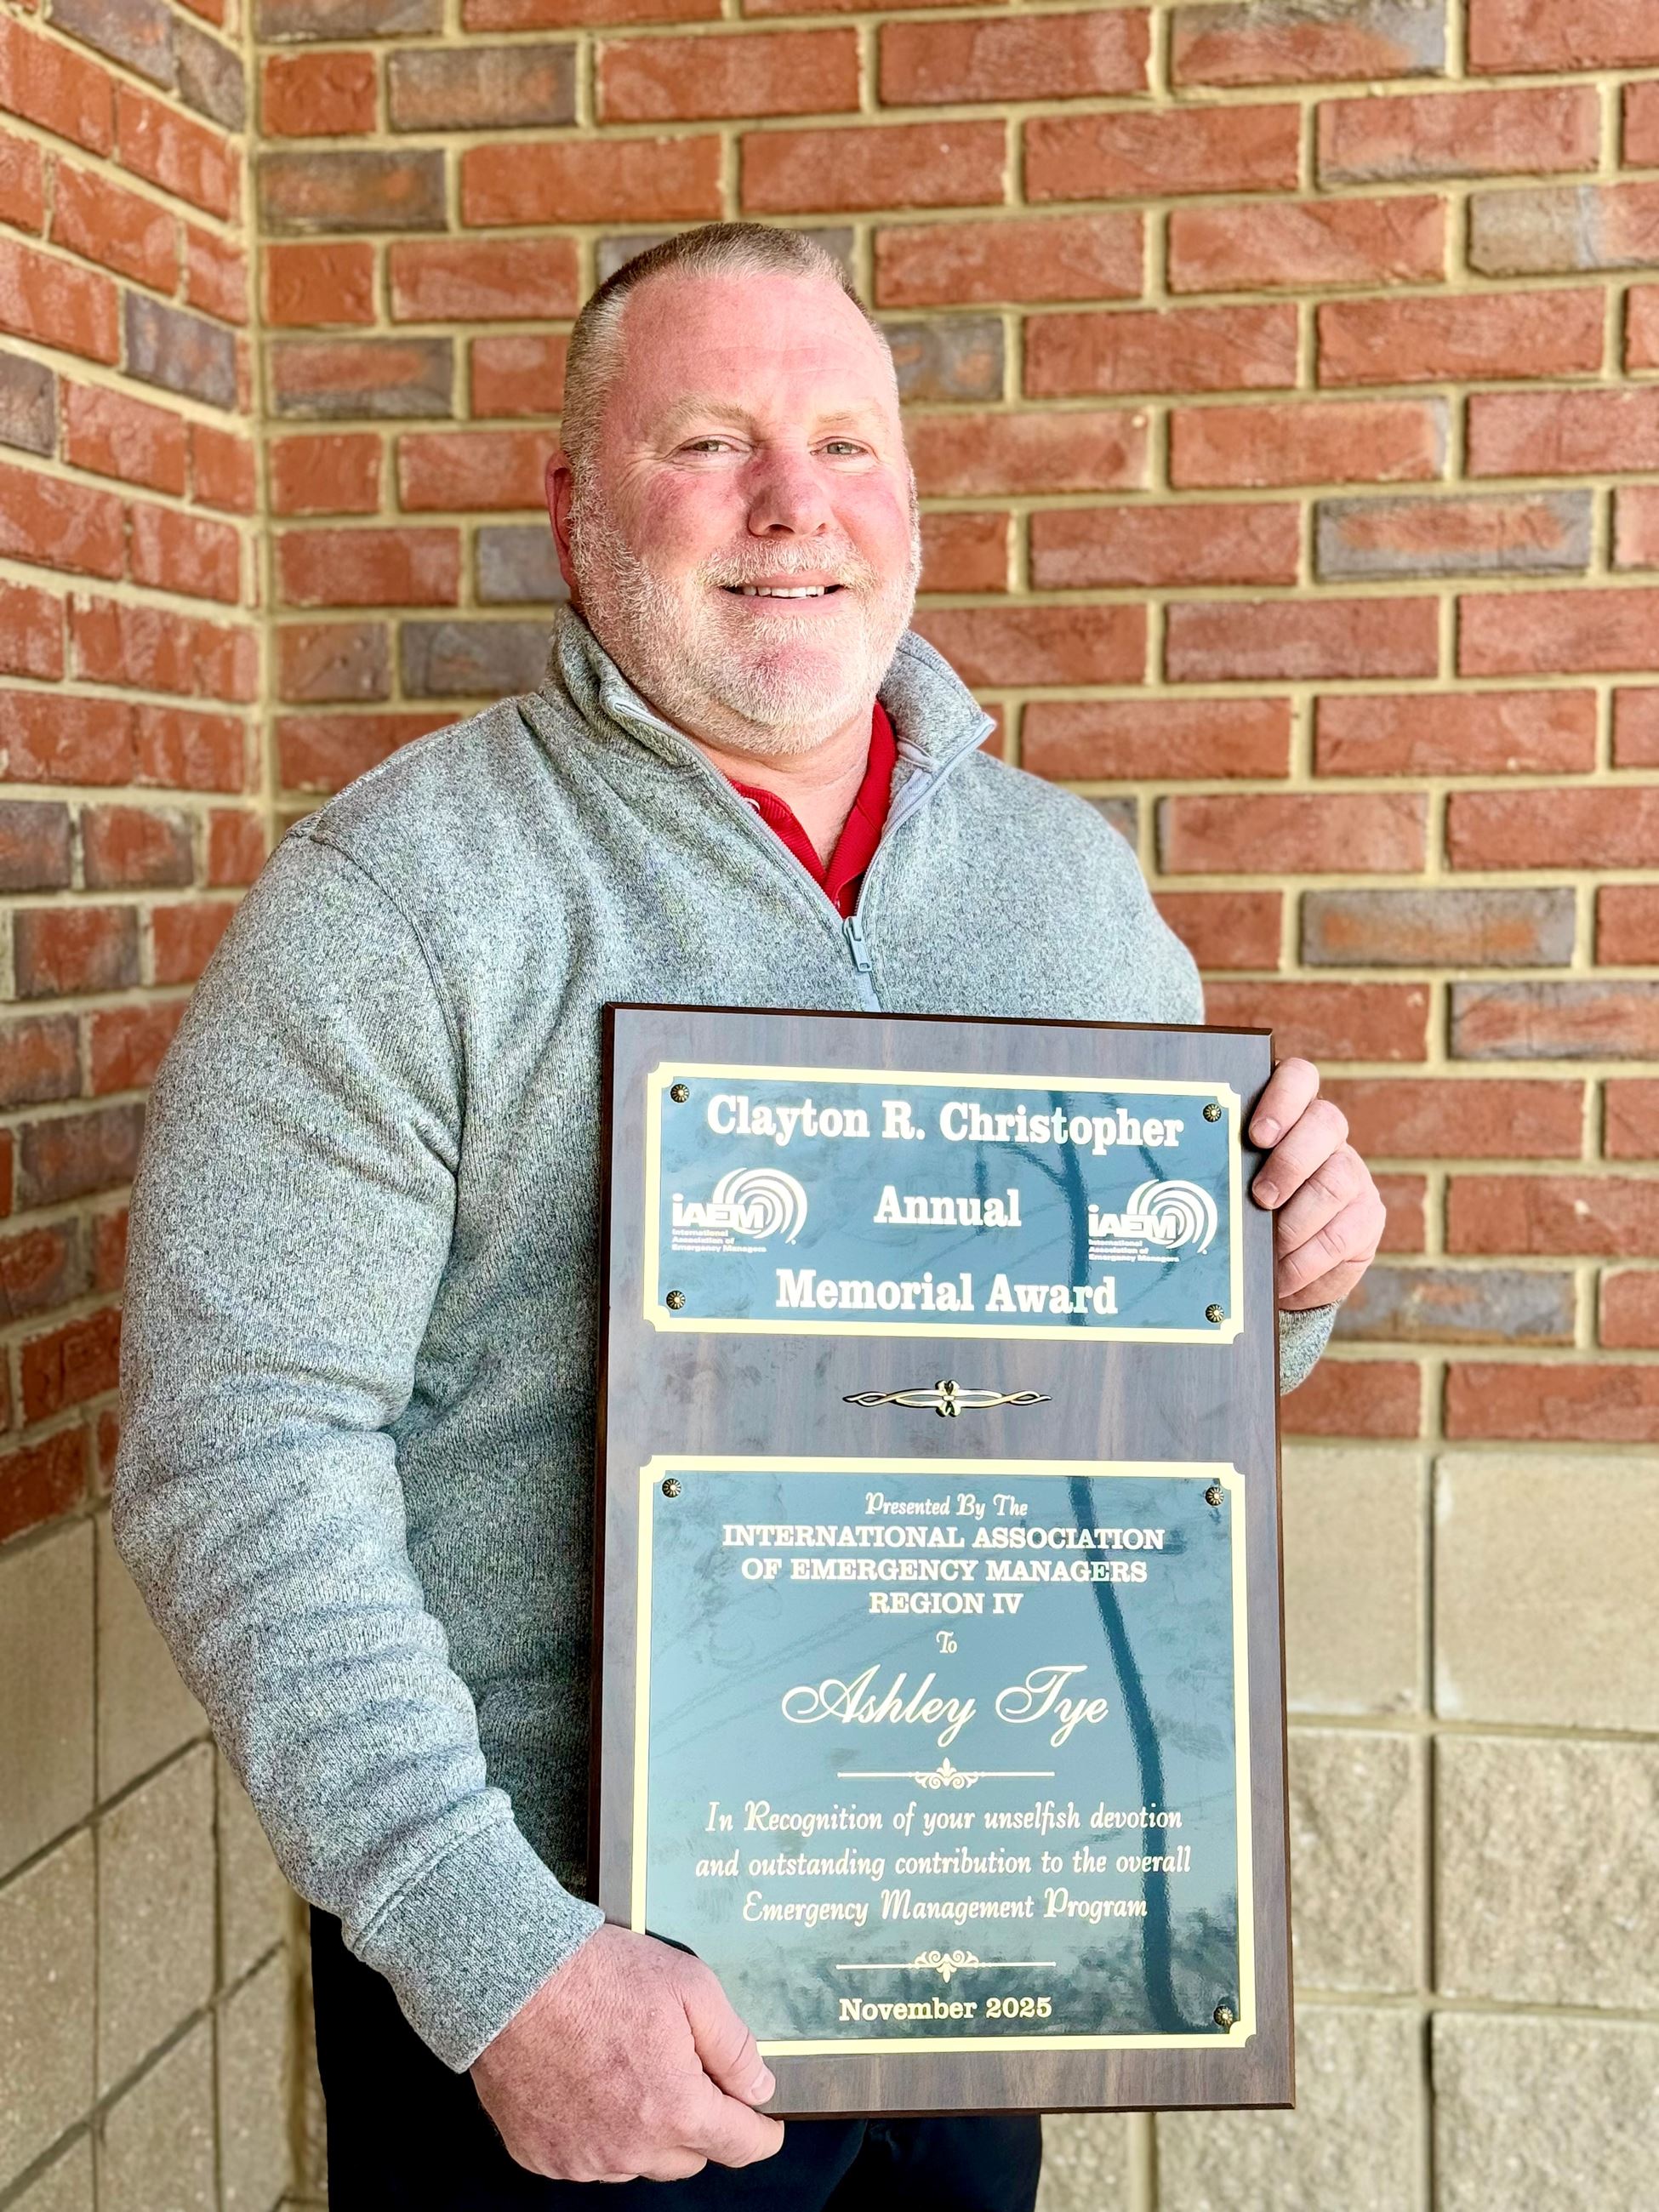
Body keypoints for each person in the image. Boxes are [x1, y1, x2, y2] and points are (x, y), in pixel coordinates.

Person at [112, 223, 1385, 2210]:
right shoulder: (400, 904)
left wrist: (1290, 1264)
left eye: (845, 443)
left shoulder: (1064, 885)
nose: (795, 505)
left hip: (968, 1960)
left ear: (910, 501)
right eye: (709, 441)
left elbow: (1166, 1369)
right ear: (572, 504)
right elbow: (236, 1452)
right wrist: (491, 1956)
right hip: (569, 2015)